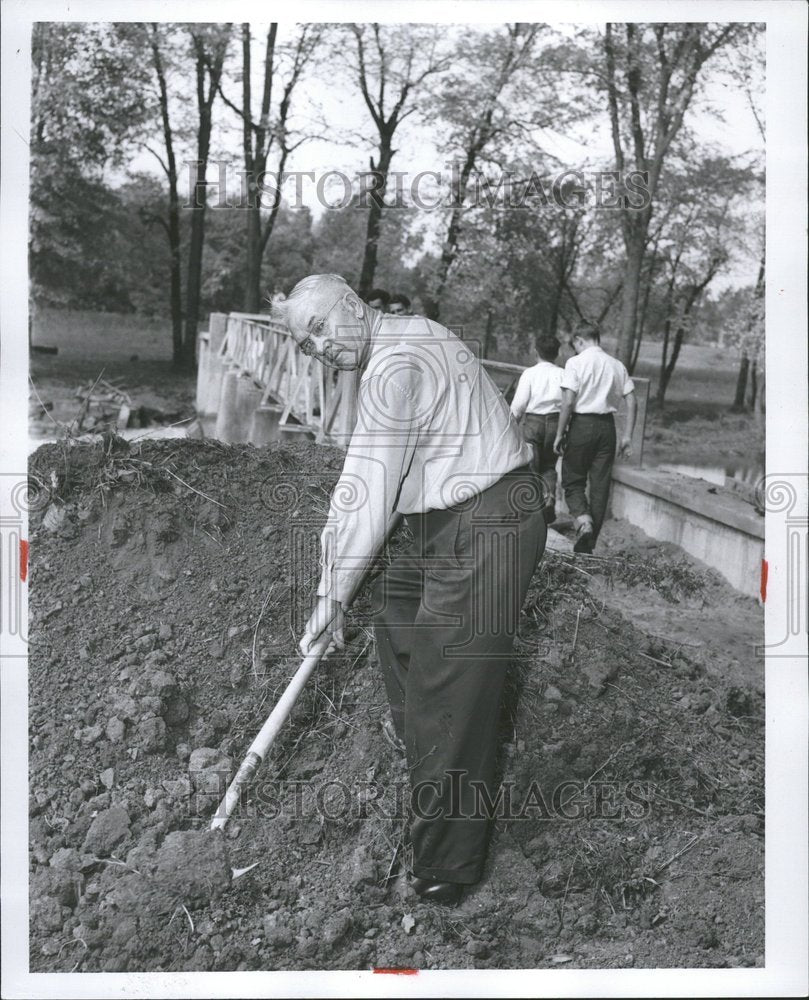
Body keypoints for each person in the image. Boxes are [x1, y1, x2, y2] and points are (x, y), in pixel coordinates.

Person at [279, 274, 546, 905]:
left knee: (446, 684)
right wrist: (337, 580)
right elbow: (381, 479)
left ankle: (447, 865)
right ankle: (422, 755)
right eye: (305, 343)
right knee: (396, 615)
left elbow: (368, 490)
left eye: (319, 328)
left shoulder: (392, 366)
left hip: (490, 520)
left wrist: (331, 595)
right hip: (447, 513)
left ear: (351, 304)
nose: (317, 347)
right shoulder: (409, 334)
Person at [554, 322, 636, 553]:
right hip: (607, 428)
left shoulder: (575, 362)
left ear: (580, 340)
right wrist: (627, 436)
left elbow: (568, 401)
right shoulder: (617, 365)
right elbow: (632, 400)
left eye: (576, 345)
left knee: (572, 479)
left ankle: (583, 521)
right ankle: (589, 546)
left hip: (582, 425)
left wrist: (560, 433)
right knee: (600, 486)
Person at [509, 335, 564, 524]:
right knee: (549, 465)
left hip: (533, 423)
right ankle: (549, 498)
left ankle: (532, 507)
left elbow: (518, 406)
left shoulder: (530, 374)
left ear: (536, 352)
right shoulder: (563, 374)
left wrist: (510, 424)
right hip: (556, 423)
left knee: (531, 465)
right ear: (558, 353)